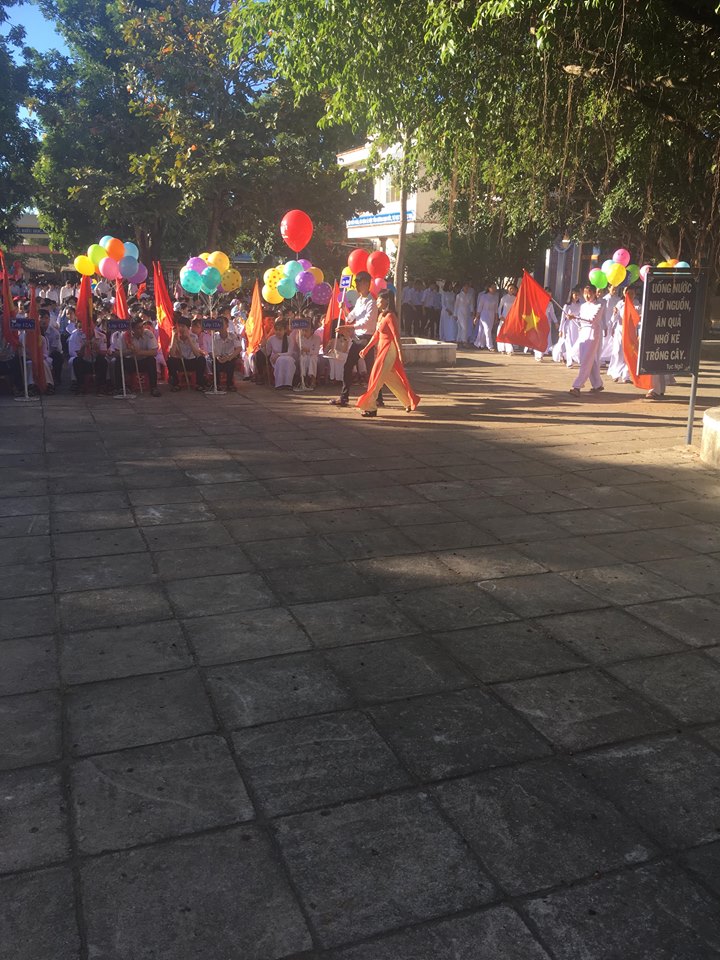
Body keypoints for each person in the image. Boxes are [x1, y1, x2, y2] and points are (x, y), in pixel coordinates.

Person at [357, 289, 420, 417]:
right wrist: (366, 348)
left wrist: (400, 354)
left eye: (379, 299)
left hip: (388, 350)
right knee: (389, 378)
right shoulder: (381, 316)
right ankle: (408, 401)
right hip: (381, 349)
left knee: (377, 377)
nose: (377, 301)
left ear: (386, 301)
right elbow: (376, 335)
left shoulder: (391, 316)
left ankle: (370, 407)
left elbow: (396, 336)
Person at [330, 270, 382, 407]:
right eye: (356, 283)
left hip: (367, 338)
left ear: (366, 283)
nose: (357, 286)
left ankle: (377, 397)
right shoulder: (359, 300)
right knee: (350, 366)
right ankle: (345, 397)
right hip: (358, 337)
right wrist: (344, 308)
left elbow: (367, 322)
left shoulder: (372, 302)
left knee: (370, 369)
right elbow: (350, 317)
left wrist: (348, 327)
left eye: (359, 283)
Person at [569, 285, 606, 396]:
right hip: (583, 332)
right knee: (585, 358)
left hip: (592, 333)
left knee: (586, 360)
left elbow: (592, 319)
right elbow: (580, 318)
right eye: (585, 294)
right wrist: (574, 318)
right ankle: (597, 384)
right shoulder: (583, 306)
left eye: (589, 293)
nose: (587, 296)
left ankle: (577, 386)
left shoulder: (600, 305)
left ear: (594, 293)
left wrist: (575, 317)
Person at [114, 316, 161, 396]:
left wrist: (139, 352)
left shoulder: (148, 333)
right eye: (138, 328)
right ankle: (120, 388)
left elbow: (154, 352)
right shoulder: (125, 336)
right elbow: (117, 352)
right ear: (132, 329)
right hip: (131, 361)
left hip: (143, 360)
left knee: (152, 360)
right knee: (118, 361)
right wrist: (129, 351)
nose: (141, 329)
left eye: (142, 326)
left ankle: (154, 387)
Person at [69, 317, 108, 393]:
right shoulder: (77, 336)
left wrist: (97, 349)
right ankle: (80, 385)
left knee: (103, 361)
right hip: (85, 361)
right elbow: (79, 354)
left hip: (96, 361)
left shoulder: (102, 336)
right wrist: (84, 346)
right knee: (76, 361)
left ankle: (102, 386)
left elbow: (104, 352)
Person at [167, 317, 207, 391]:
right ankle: (176, 384)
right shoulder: (174, 337)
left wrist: (189, 339)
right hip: (180, 361)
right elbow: (172, 354)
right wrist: (174, 338)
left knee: (201, 359)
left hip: (191, 361)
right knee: (170, 360)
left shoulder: (193, 336)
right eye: (179, 326)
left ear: (188, 328)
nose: (180, 328)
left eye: (183, 326)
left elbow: (197, 354)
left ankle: (199, 384)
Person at [213, 316, 243, 391]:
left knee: (231, 362)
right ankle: (217, 385)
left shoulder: (233, 336)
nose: (220, 326)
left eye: (222, 324)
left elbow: (239, 348)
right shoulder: (214, 336)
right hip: (218, 358)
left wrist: (229, 357)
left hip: (229, 357)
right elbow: (211, 350)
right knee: (214, 363)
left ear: (227, 325)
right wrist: (217, 356)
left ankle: (229, 384)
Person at [265, 317, 297, 388]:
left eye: (280, 330)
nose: (278, 332)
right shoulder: (271, 339)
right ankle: (279, 383)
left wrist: (278, 355)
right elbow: (267, 352)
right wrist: (263, 346)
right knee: (280, 360)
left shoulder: (289, 339)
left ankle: (288, 383)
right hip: (275, 359)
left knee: (287, 360)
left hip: (288, 358)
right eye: (276, 330)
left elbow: (290, 353)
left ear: (285, 330)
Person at [553, 289, 581, 366]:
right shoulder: (567, 306)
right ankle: (569, 361)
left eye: (578, 295)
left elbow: (580, 316)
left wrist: (579, 324)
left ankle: (568, 356)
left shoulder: (580, 305)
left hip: (576, 326)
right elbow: (563, 318)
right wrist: (560, 330)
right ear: (571, 295)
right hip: (568, 326)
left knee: (575, 343)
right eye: (575, 295)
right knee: (569, 343)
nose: (577, 296)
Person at [39, 308, 64, 388]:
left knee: (57, 356)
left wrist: (45, 356)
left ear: (49, 319)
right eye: (41, 318)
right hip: (38, 354)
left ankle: (56, 378)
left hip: (51, 353)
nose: (44, 320)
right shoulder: (34, 331)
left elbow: (54, 348)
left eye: (46, 318)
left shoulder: (54, 332)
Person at [474, 283, 499, 350]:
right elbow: (479, 307)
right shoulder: (484, 296)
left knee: (485, 330)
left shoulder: (495, 297)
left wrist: (496, 318)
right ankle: (490, 346)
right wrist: (476, 317)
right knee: (487, 329)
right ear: (489, 288)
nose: (494, 289)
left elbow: (496, 309)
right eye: (492, 287)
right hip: (484, 315)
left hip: (491, 315)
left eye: (495, 287)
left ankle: (480, 344)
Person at [496, 283, 517, 354]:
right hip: (504, 317)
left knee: (508, 333)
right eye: (510, 288)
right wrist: (500, 316)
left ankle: (509, 349)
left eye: (513, 289)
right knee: (501, 332)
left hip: (511, 318)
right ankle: (501, 348)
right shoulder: (504, 298)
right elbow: (499, 308)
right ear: (508, 289)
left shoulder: (515, 299)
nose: (511, 290)